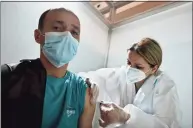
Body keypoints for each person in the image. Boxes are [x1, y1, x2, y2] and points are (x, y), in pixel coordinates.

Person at [1, 8, 99, 128]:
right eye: (57, 28)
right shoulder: (10, 77)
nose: (67, 36)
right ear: (38, 36)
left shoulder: (83, 90)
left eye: (74, 32)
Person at [80, 38, 182, 128]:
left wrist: (126, 116)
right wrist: (84, 81)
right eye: (129, 62)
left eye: (138, 67)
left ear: (154, 68)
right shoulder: (121, 74)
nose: (130, 69)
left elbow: (167, 125)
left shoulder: (165, 85)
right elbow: (98, 77)